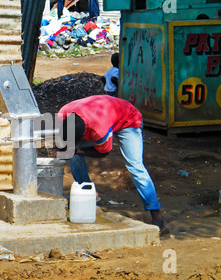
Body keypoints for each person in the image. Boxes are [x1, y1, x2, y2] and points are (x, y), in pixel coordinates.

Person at [57, 95, 167, 234]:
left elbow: (103, 153)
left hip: (128, 120)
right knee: (73, 156)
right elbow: (60, 143)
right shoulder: (63, 115)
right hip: (104, 112)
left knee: (135, 166)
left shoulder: (98, 128)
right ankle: (88, 197)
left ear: (85, 133)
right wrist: (63, 149)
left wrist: (77, 150)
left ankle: (156, 215)